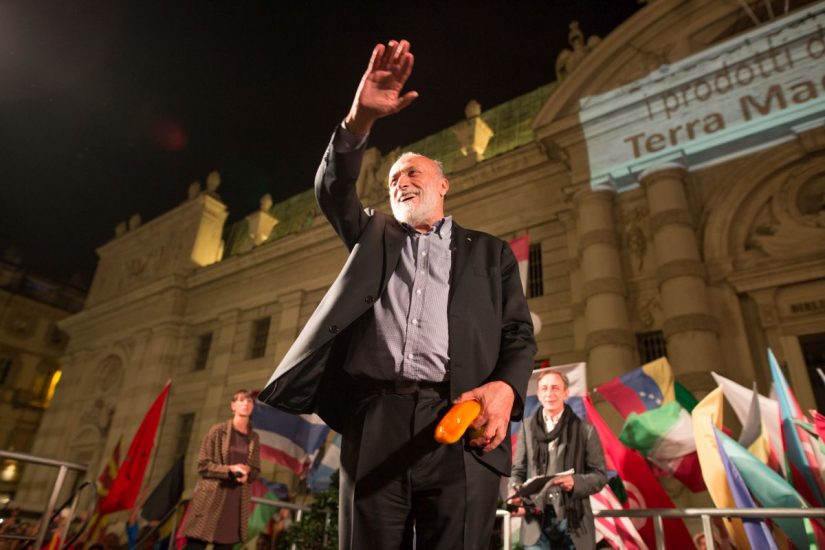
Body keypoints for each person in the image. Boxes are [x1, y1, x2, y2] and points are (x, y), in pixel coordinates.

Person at [259, 39, 536, 550]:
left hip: (461, 421)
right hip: (376, 420)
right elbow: (333, 190)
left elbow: (519, 335)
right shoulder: (373, 236)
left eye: (413, 172)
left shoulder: (491, 253)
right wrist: (359, 120)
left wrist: (507, 389)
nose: (400, 183)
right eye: (391, 179)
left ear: (443, 184)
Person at [508, 371, 607, 550]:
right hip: (535, 522)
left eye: (555, 388)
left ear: (565, 393)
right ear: (538, 394)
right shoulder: (527, 428)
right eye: (544, 388)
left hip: (574, 522)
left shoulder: (586, 431)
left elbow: (599, 476)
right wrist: (515, 495)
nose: (549, 393)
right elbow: (517, 472)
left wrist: (575, 482)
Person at [182, 390, 260, 549]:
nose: (246, 404)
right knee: (195, 546)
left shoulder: (254, 437)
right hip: (211, 499)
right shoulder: (218, 430)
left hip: (235, 503)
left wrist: (248, 472)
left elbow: (256, 470)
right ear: (233, 405)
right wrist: (229, 469)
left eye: (249, 401)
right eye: (241, 400)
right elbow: (203, 465)